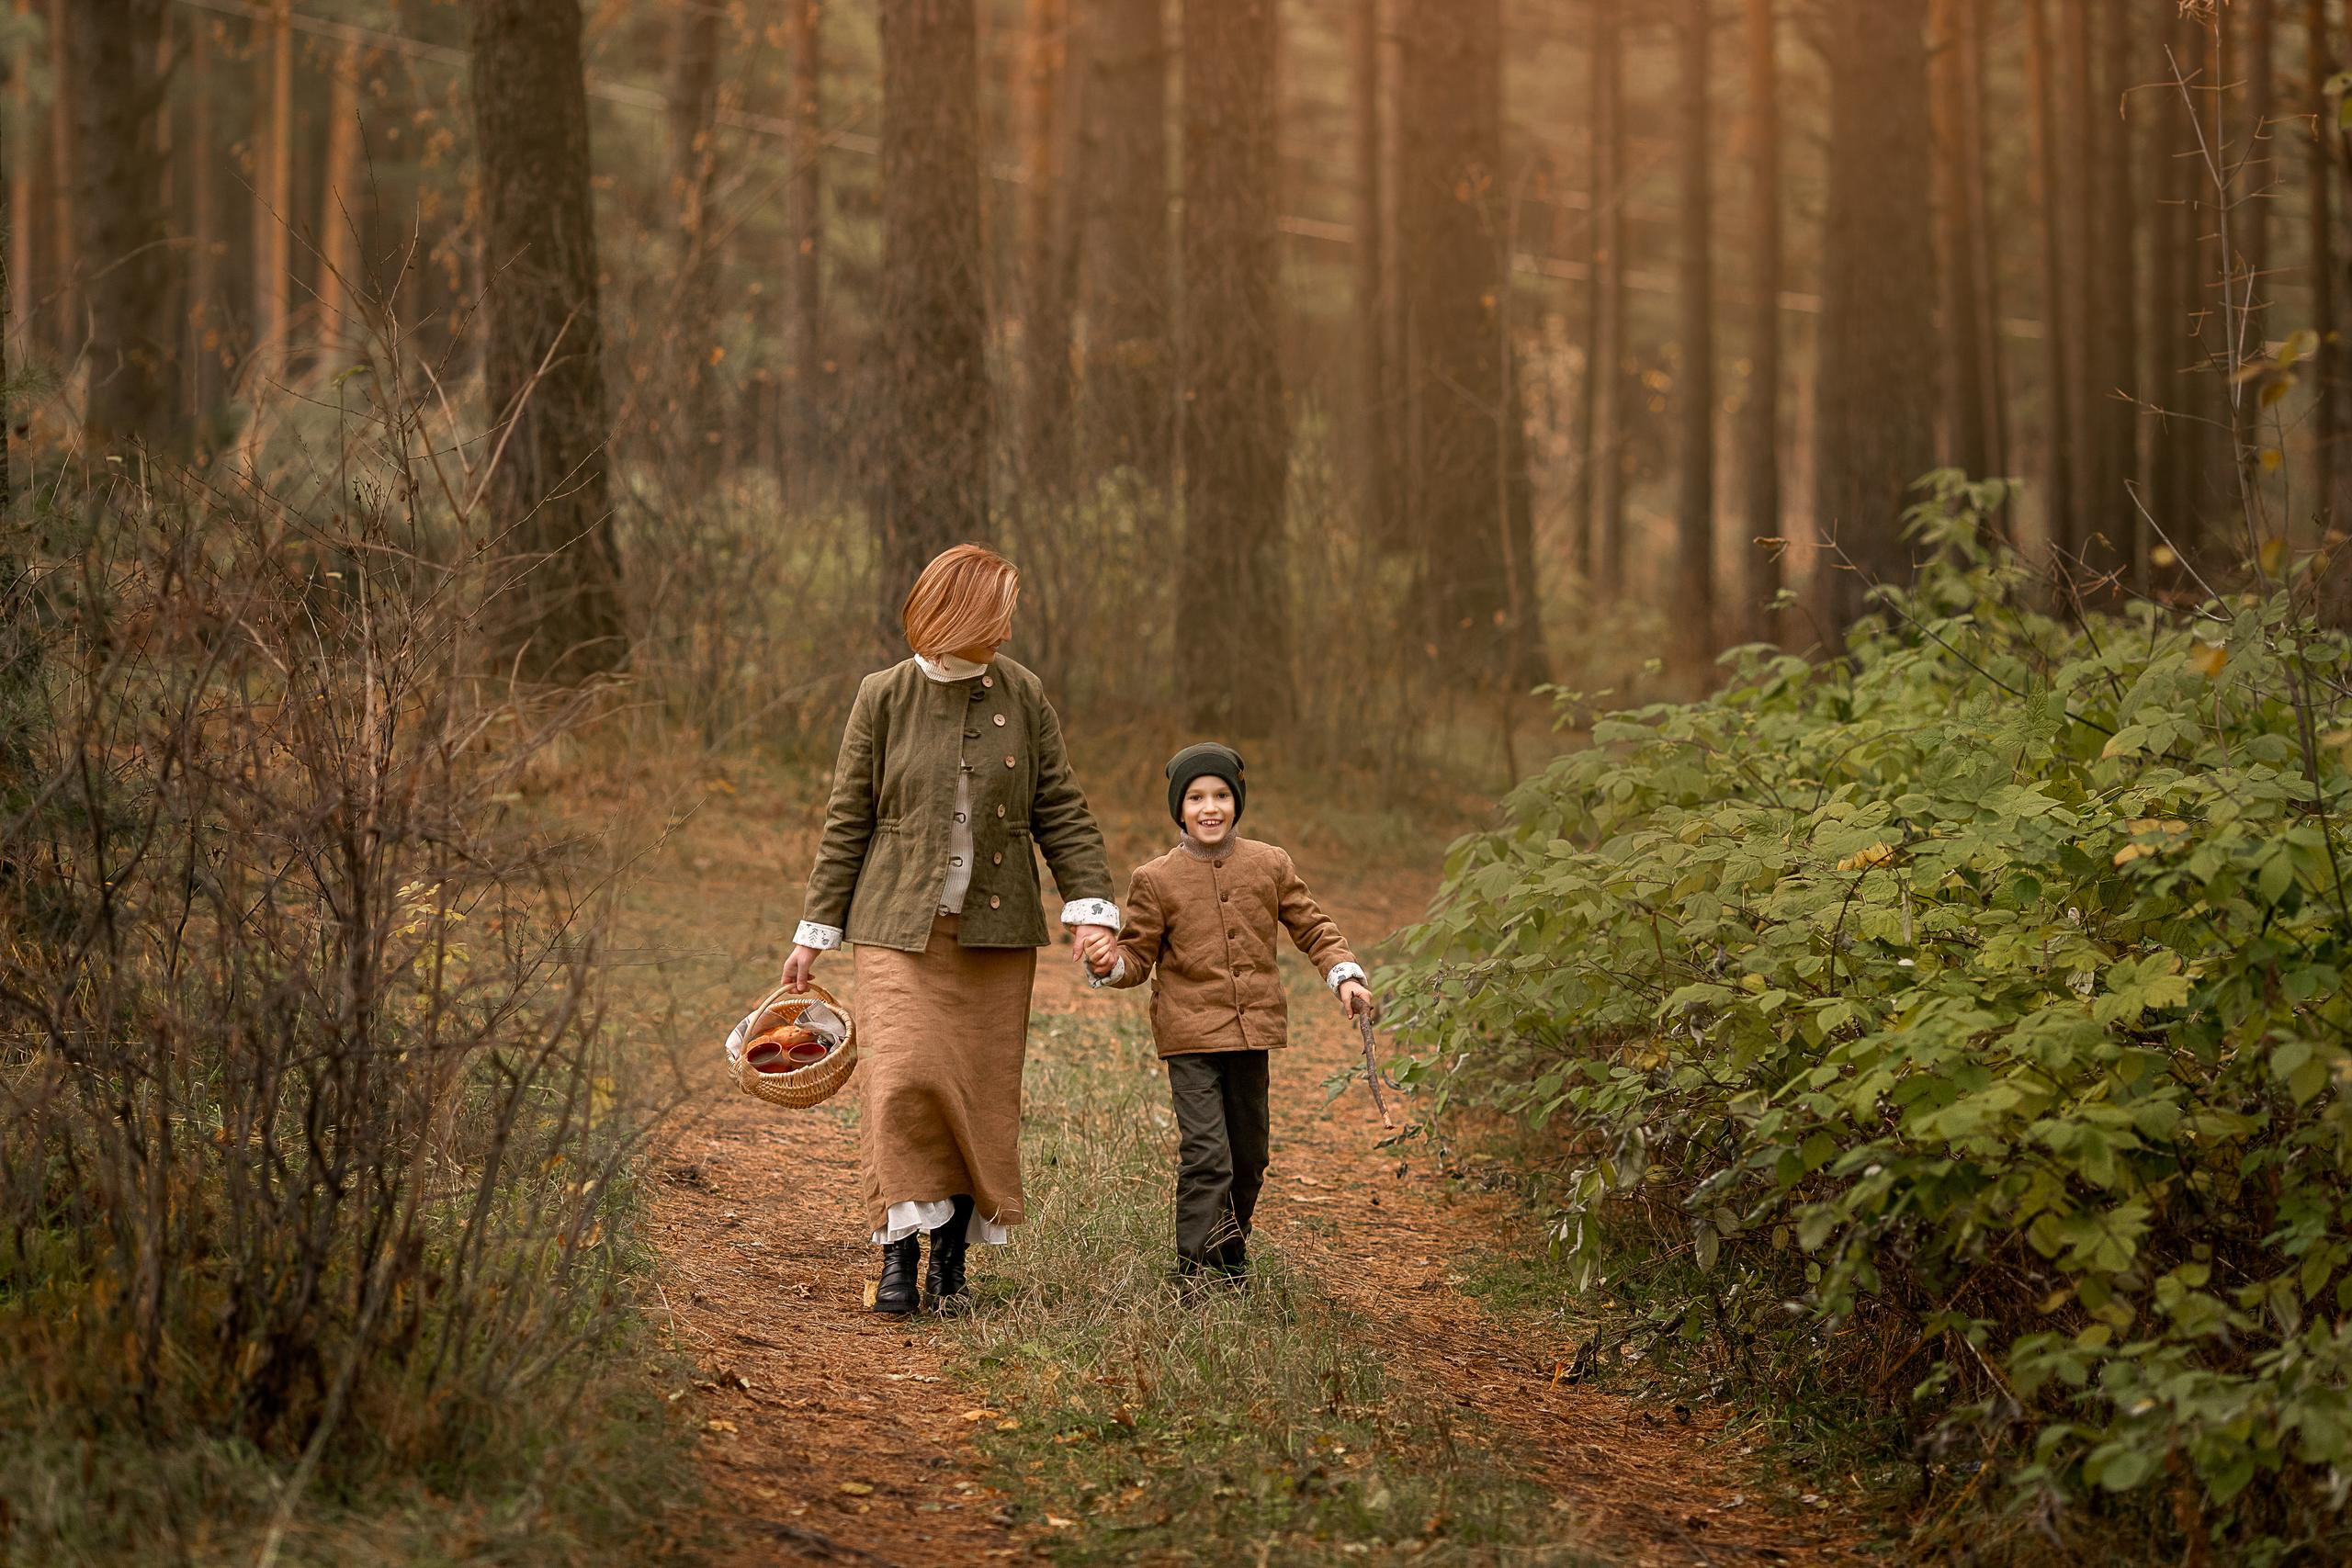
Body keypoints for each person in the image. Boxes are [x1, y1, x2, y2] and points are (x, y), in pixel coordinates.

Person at [780, 544, 1119, 1314]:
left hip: (995, 937)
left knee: (977, 1094)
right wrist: (814, 932)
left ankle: (951, 1260)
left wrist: (1089, 907)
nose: (1006, 628)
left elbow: (1060, 807)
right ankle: (898, 1252)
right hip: (896, 927)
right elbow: (847, 820)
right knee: (903, 1080)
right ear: (955, 612)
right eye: (995, 613)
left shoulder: (1024, 694)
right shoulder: (884, 695)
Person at [1083, 742, 1374, 1279]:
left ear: (1237, 802)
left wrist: (1345, 975)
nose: (1209, 807)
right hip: (1190, 1038)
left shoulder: (1270, 864)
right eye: (1195, 797)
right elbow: (1137, 956)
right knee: (1207, 1157)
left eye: (1220, 795)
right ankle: (1191, 1269)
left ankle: (1230, 1251)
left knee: (1248, 1158)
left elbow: (1313, 926)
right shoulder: (1157, 878)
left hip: (1252, 1034)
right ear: (1179, 808)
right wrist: (1108, 964)